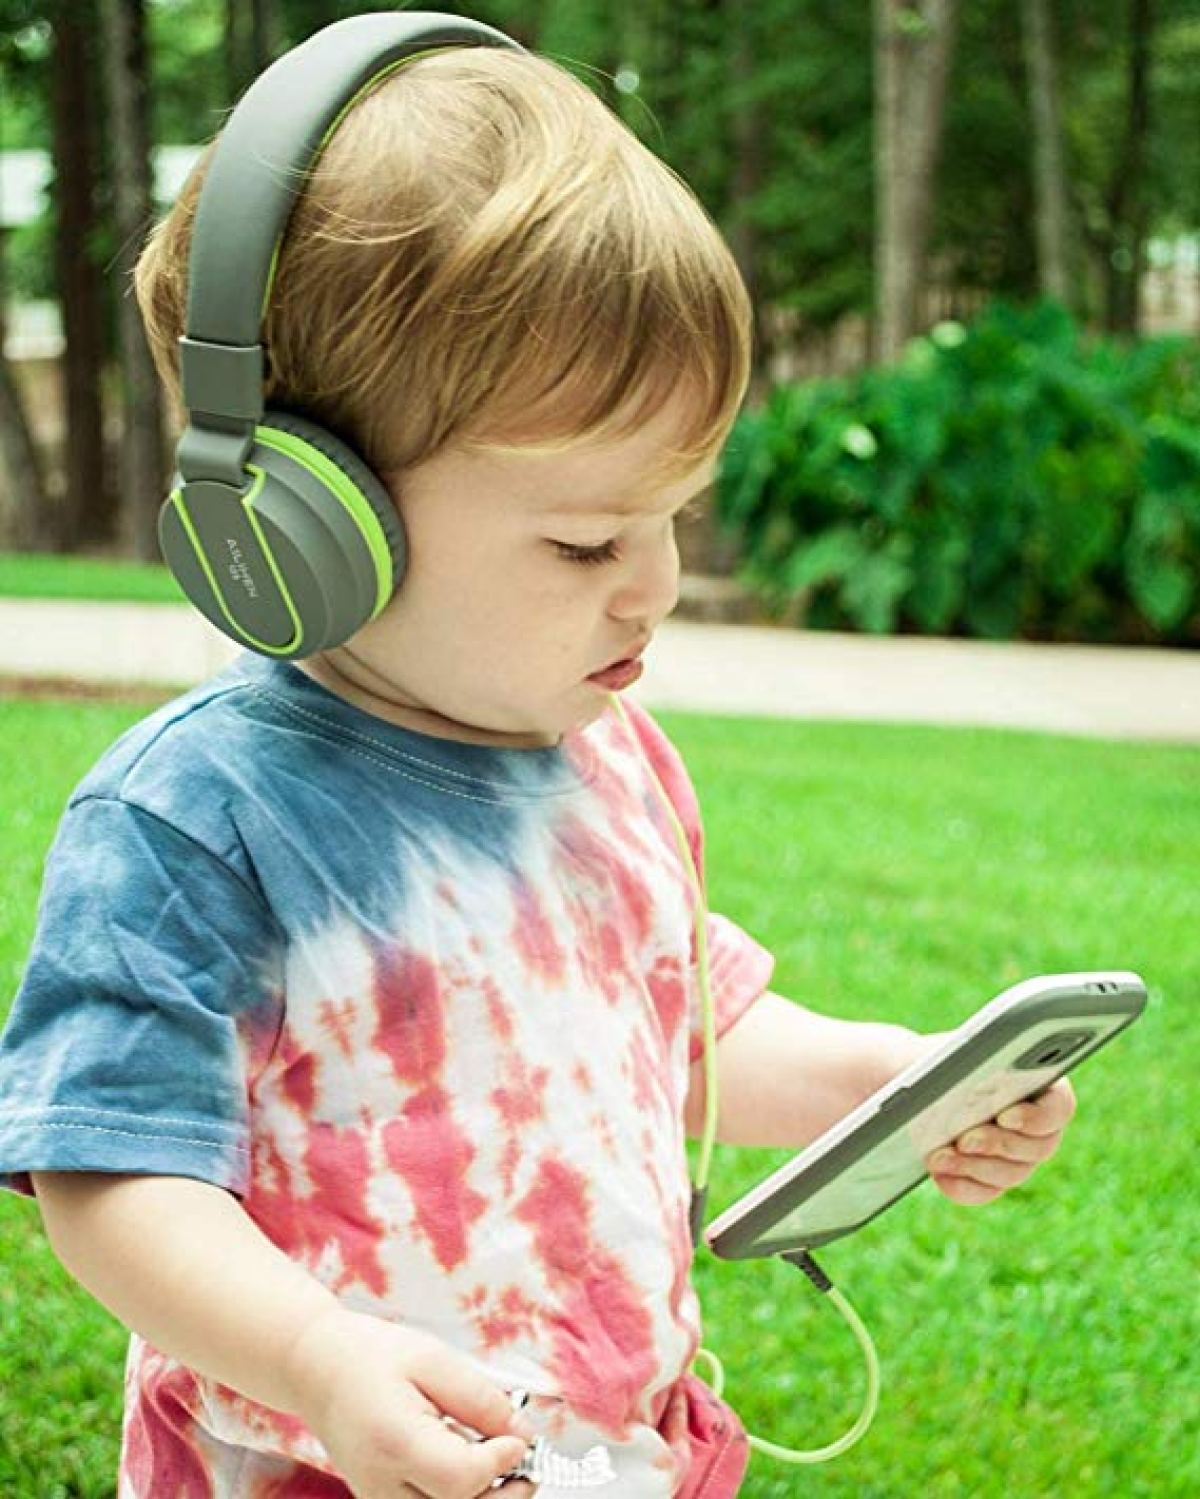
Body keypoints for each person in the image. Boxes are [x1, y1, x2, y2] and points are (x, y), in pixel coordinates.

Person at [0, 29, 1076, 1499]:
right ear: (301, 519)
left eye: (674, 516)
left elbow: (678, 1032)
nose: (657, 586)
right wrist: (321, 1360)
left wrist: (884, 1081)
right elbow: (113, 1175)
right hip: (329, 1463)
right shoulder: (202, 818)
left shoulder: (613, 759)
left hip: (607, 1458)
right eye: (585, 542)